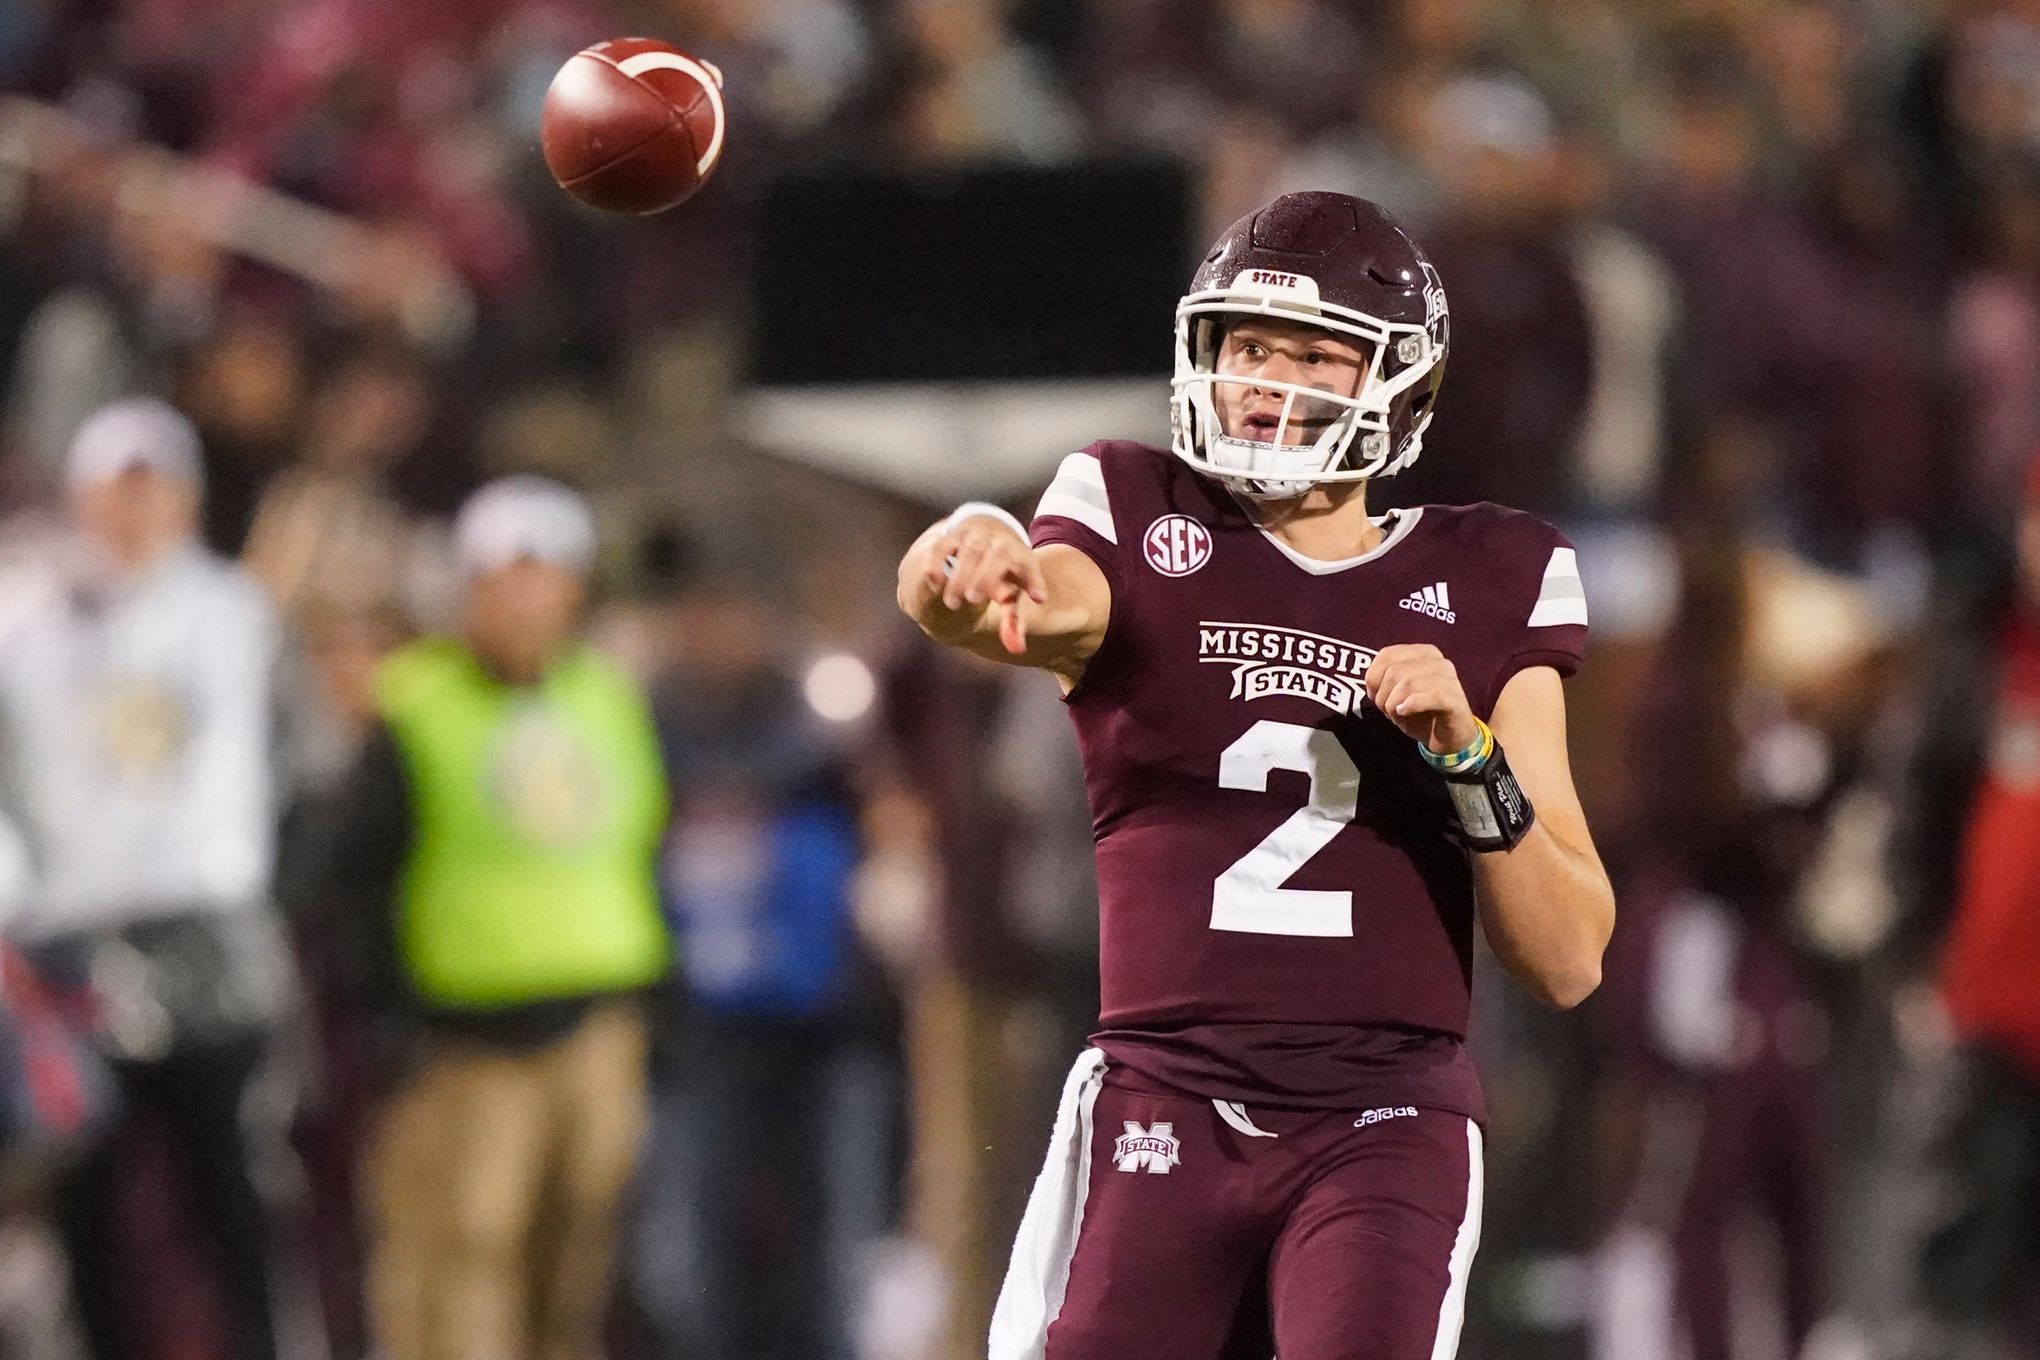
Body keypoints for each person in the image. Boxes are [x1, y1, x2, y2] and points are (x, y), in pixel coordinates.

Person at [895, 191, 1615, 1360]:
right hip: (1164, 1096)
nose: (1269, 383)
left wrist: (1465, 756)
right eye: (1249, 348)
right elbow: (1018, 598)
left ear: (1401, 389)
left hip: (1382, 1114)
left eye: (1317, 355)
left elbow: (1571, 953)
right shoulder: (1135, 510)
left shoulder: (1494, 571)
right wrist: (962, 553)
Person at [321, 475, 669, 1360]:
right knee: (458, 1259)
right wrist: (385, 1015)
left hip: (596, 1022)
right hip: (462, 1040)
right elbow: (350, 876)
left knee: (575, 1264)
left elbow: (637, 847)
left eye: (542, 573)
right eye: (503, 574)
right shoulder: (412, 705)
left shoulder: (608, 696)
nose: (523, 596)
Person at [0, 398, 295, 1360]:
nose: (132, 514)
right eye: (112, 491)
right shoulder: (25, 616)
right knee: (89, 1200)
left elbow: (300, 758)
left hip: (213, 931)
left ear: (187, 498)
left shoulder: (238, 612)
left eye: (152, 489)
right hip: (74, 943)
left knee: (235, 1185)